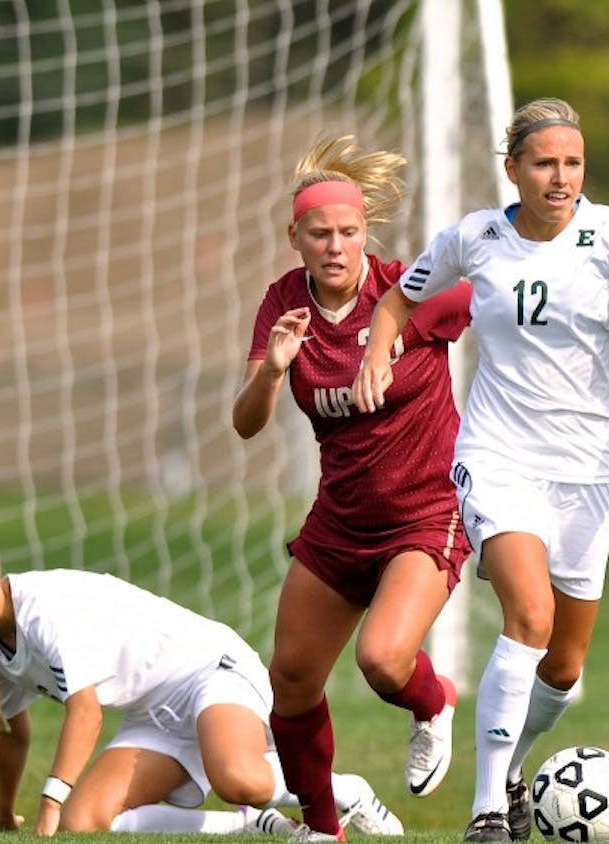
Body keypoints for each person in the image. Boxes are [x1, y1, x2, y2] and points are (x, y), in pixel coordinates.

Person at [350, 98, 609, 842]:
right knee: (530, 618)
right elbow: (398, 297)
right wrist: (374, 355)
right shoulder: (475, 237)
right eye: (544, 163)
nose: (560, 177)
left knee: (564, 665)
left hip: (586, 477)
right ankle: (486, 813)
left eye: (573, 163)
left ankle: (513, 770)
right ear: (512, 169)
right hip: (497, 458)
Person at [233, 135, 474, 840]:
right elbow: (247, 423)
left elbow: (492, 301)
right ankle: (322, 830)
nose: (335, 246)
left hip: (425, 512)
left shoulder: (411, 290)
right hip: (339, 523)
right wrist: (273, 369)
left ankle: (434, 703)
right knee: (293, 677)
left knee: (381, 660)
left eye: (348, 232)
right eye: (320, 234)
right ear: (295, 238)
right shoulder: (283, 303)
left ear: (366, 233)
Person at [0, 528, 403, 838]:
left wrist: (46, 806)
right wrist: (3, 811)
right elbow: (11, 731)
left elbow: (86, 712)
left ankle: (342, 790)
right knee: (83, 824)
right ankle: (252, 827)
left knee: (239, 780)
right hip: (153, 717)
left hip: (208, 673)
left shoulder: (40, 604)